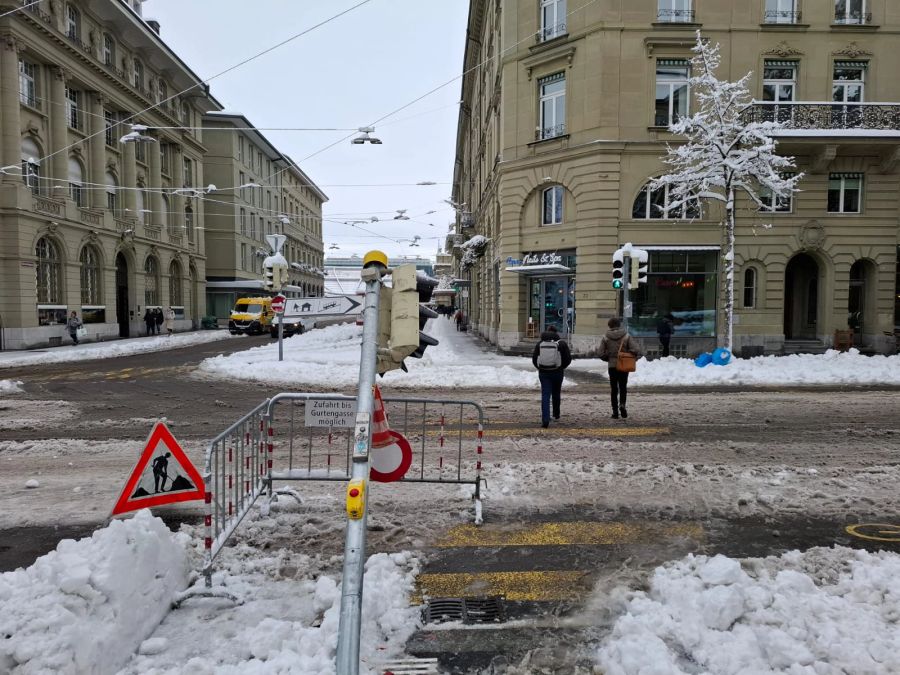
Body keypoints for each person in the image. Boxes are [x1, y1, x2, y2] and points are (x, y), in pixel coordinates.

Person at [598, 317, 642, 419]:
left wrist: (608, 358)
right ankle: (622, 405)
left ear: (609, 325)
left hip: (612, 366)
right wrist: (628, 354)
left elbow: (600, 353)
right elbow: (636, 349)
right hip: (624, 365)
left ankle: (615, 412)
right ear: (619, 325)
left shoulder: (605, 337)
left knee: (614, 389)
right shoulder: (626, 336)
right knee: (623, 387)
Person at [531, 325, 572, 429]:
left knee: (545, 394)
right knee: (556, 392)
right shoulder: (561, 343)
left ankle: (545, 419)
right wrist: (562, 367)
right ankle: (556, 414)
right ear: (556, 333)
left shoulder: (540, 344)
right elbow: (568, 358)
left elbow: (534, 359)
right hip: (557, 372)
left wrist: (540, 368)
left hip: (544, 373)